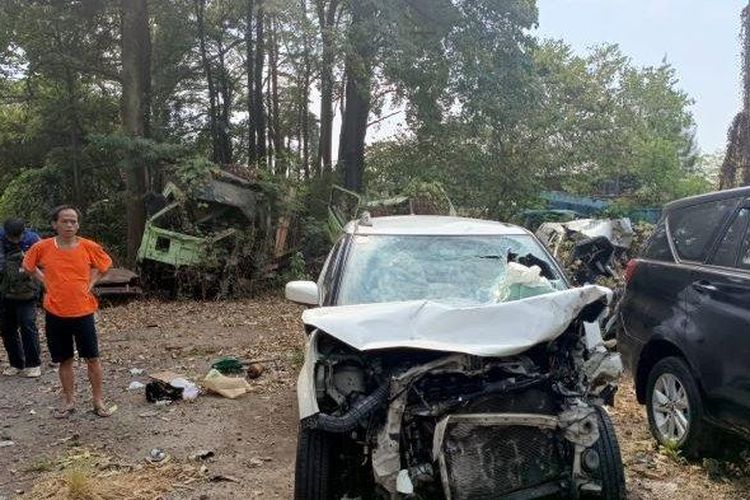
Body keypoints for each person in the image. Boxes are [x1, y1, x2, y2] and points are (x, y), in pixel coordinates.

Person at [23, 206, 113, 418]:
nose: (70, 225)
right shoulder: (42, 247)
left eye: (73, 221)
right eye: (65, 221)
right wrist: (45, 281)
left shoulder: (88, 246)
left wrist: (91, 282)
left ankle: (98, 401)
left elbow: (104, 265)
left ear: (78, 225)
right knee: (64, 360)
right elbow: (28, 266)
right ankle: (69, 400)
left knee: (93, 358)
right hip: (56, 312)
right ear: (55, 224)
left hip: (83, 312)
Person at [0, 218, 42, 377]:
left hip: (28, 291)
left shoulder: (33, 239)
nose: (16, 240)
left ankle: (34, 363)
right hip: (5, 291)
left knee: (27, 324)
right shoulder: (0, 238)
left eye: (19, 237)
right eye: (12, 238)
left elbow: (44, 260)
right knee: (7, 328)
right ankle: (16, 363)